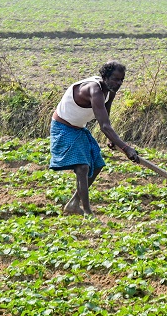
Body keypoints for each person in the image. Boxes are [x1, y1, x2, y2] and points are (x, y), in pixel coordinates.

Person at [49, 61, 140, 217]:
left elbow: (106, 115)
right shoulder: (94, 90)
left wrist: (112, 139)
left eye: (121, 80)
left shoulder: (110, 90)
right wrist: (126, 148)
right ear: (105, 77)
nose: (119, 83)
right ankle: (87, 212)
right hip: (63, 127)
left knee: (97, 164)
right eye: (115, 79)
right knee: (82, 168)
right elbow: (104, 126)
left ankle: (74, 203)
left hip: (78, 128)